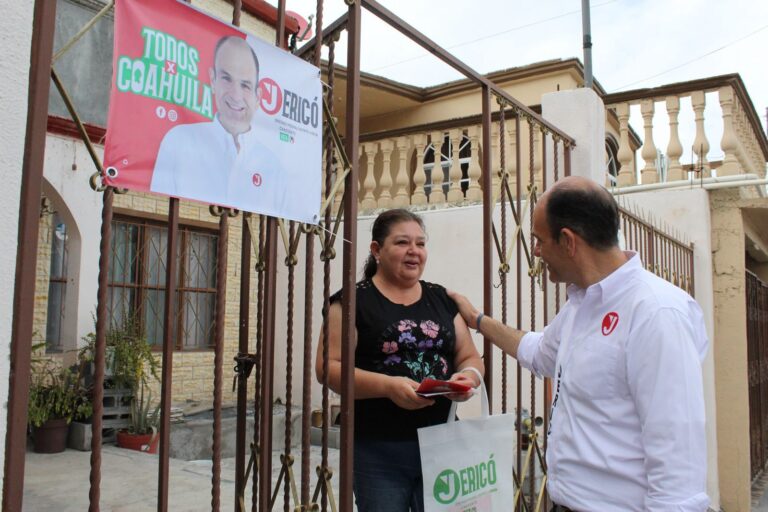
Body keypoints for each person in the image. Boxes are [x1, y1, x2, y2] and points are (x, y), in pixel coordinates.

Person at [449, 176, 710, 512]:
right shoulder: (582, 304)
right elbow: (541, 352)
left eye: (539, 241)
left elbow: (677, 455)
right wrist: (478, 320)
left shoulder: (656, 312)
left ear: (568, 241)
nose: (538, 252)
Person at [316, 208, 484, 512]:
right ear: (377, 250)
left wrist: (468, 377)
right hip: (378, 449)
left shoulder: (442, 299)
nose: (414, 252)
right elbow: (327, 368)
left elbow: (468, 356)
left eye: (420, 244)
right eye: (402, 243)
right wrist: (389, 386)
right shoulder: (352, 303)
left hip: (442, 444)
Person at [150, 35, 285, 215]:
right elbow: (159, 212)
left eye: (245, 85)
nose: (236, 95)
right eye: (226, 79)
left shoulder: (273, 166)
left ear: (258, 96)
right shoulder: (178, 141)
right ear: (213, 80)